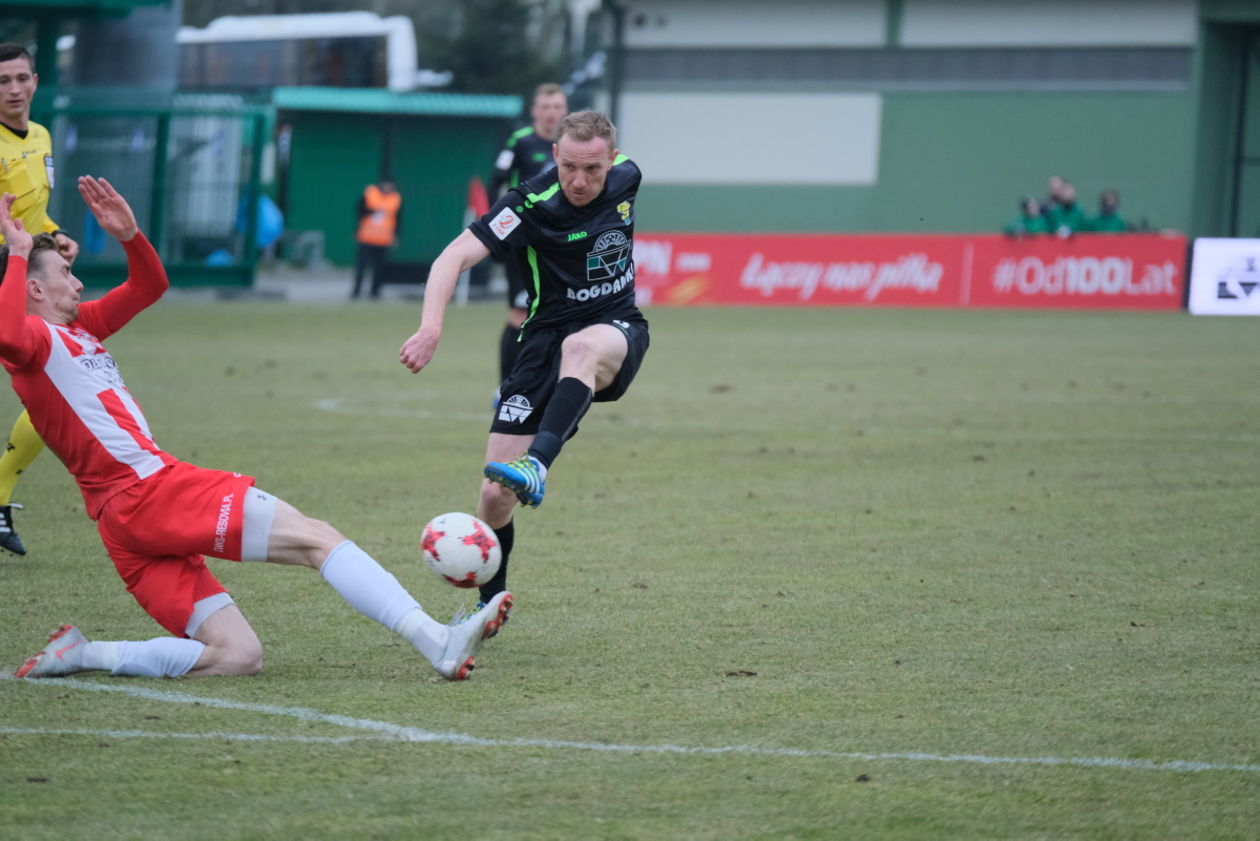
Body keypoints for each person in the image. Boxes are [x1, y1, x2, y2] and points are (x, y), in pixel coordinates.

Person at [2, 177, 510, 681]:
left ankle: (84, 653)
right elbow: (7, 332)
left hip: (127, 521)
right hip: (149, 493)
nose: (79, 282)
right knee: (318, 539)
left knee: (239, 655)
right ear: (34, 288)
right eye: (67, 273)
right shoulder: (32, 341)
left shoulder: (79, 328)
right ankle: (435, 638)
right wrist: (20, 249)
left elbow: (150, 286)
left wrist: (131, 235)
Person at [399, 110, 649, 617]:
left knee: (579, 349)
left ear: (613, 160)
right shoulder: (527, 205)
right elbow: (451, 258)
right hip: (539, 343)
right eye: (570, 167)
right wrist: (431, 327)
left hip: (616, 328)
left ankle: (538, 464)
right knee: (493, 496)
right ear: (554, 154)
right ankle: (490, 605)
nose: (580, 181)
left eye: (593, 170)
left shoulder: (629, 175)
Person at [0, 42, 79, 555]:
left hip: (19, 272)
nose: (12, 89)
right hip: (9, 271)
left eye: (20, 78)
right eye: (2, 81)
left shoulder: (42, 134)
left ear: (35, 80)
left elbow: (31, 216)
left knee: (57, 384)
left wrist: (55, 234)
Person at [488, 83, 568, 392]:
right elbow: (497, 180)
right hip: (524, 242)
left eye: (557, 107)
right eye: (545, 107)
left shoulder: (573, 144)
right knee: (520, 314)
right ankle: (505, 388)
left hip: (563, 242)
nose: (551, 113)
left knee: (563, 315)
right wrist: (499, 231)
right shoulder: (520, 142)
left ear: (566, 110)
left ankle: (550, 384)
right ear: (535, 111)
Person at [351, 176, 401, 299]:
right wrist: (372, 212)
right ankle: (356, 292)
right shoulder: (370, 193)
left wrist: (396, 235)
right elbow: (359, 211)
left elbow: (398, 219)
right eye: (386, 184)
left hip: (384, 239)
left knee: (379, 268)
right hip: (366, 238)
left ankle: (375, 292)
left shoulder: (396, 198)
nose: (388, 187)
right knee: (361, 267)